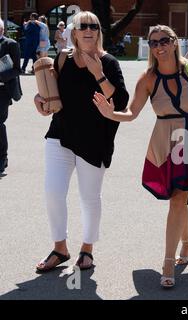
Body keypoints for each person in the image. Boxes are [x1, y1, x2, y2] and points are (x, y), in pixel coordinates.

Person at [93, 25, 188, 288]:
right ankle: (185, 242)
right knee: (178, 197)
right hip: (166, 142)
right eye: (153, 42)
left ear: (175, 43)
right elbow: (131, 113)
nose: (159, 46)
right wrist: (110, 114)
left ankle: (167, 261)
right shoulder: (148, 78)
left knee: (178, 198)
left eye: (164, 41)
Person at [33, 11, 129, 272]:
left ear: (99, 32)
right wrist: (39, 100)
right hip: (60, 134)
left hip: (94, 139)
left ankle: (87, 249)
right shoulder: (63, 58)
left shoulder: (108, 62)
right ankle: (59, 248)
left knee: (89, 197)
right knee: (53, 192)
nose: (88, 30)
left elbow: (120, 101)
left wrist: (98, 74)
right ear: (73, 33)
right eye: (82, 26)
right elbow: (49, 89)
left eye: (93, 26)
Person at [0, 19, 21, 174]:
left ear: (1, 30)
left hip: (2, 91)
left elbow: (16, 69)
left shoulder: (10, 44)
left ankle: (2, 158)